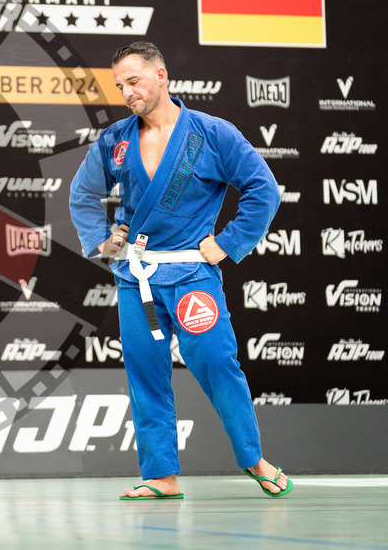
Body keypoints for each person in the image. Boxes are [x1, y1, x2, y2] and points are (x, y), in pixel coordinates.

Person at [68, 41, 293, 500]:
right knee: (145, 374)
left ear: (161, 76)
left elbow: (263, 190)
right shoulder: (115, 140)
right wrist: (102, 240)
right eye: (119, 86)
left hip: (192, 276)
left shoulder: (211, 133)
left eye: (134, 81)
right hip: (136, 278)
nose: (126, 93)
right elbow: (82, 194)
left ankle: (254, 458)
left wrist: (227, 242)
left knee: (216, 363)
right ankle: (161, 475)